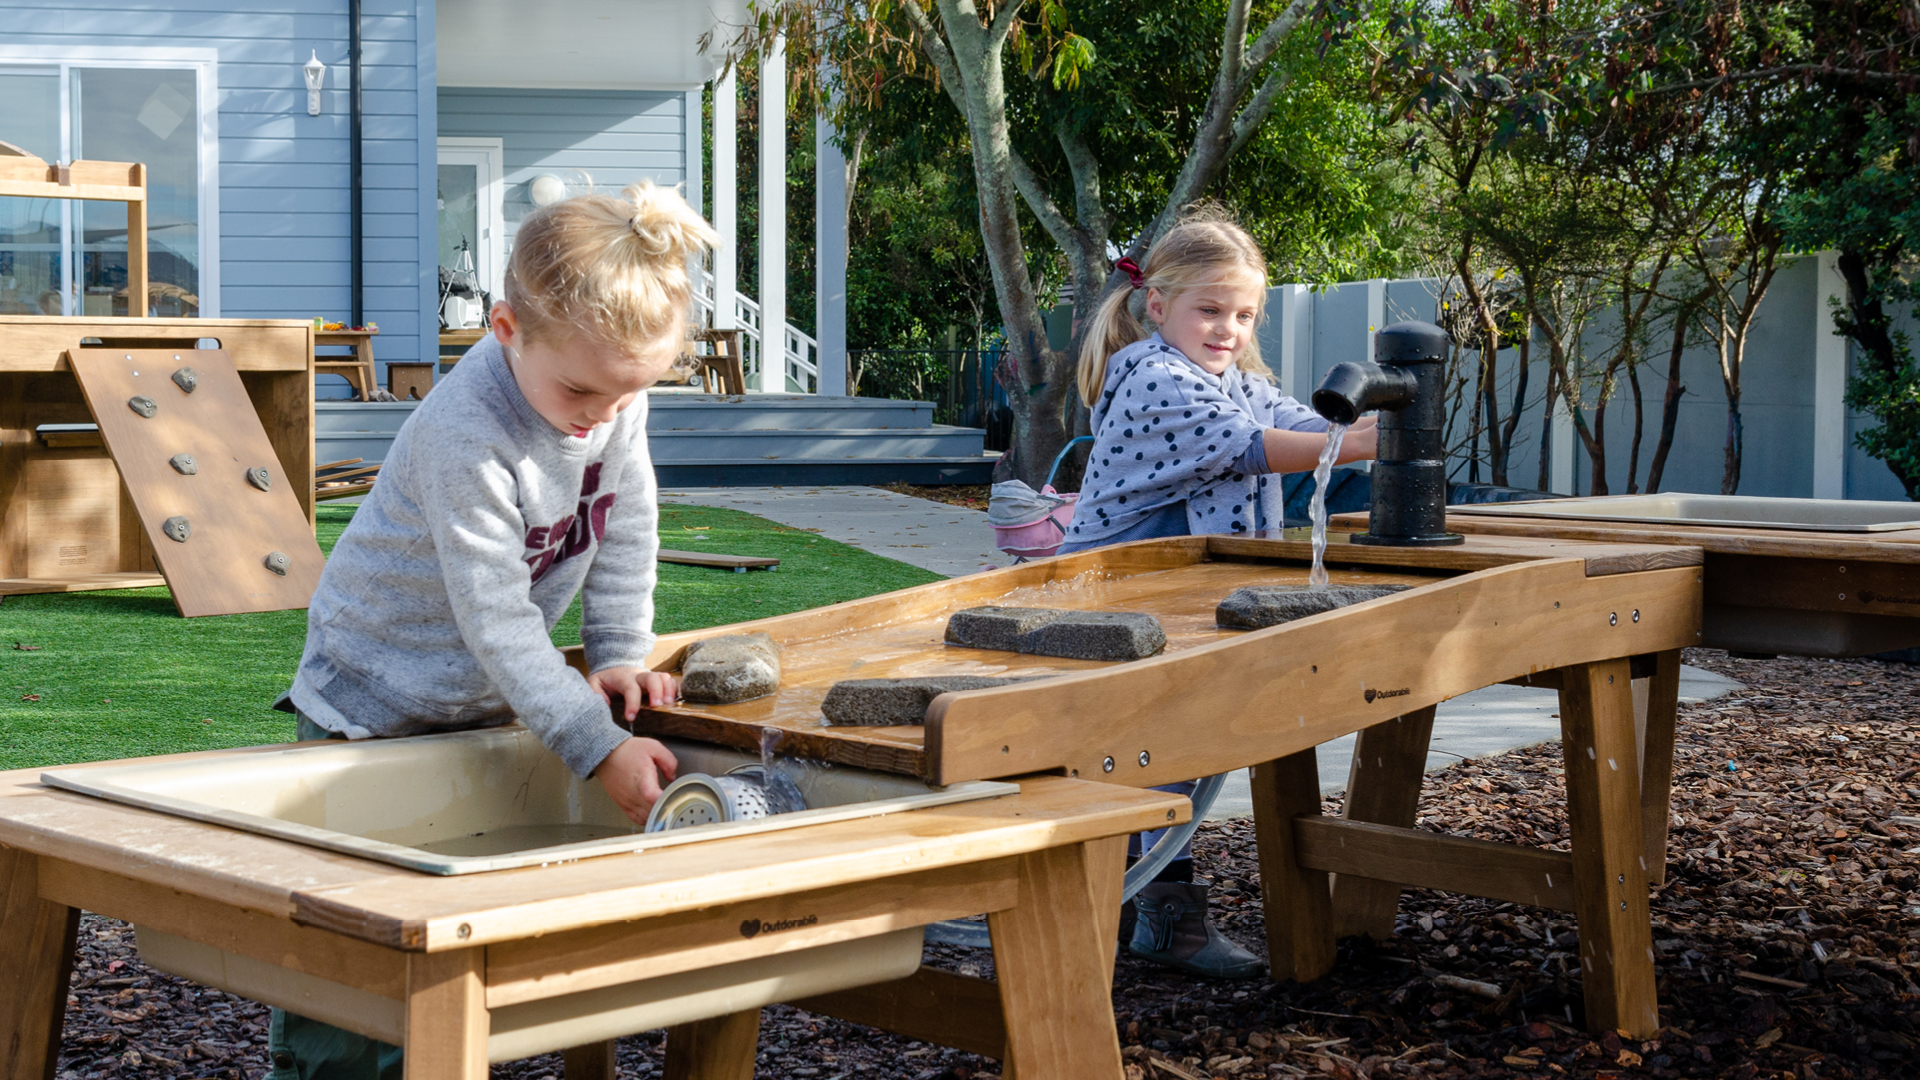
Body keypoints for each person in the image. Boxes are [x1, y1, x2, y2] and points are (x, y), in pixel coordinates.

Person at [268, 181, 715, 1080]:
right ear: (506, 329)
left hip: (475, 699)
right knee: (350, 944)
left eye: (633, 394)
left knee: (449, 916)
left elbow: (624, 525)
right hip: (373, 697)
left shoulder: (610, 402)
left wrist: (622, 651)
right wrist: (593, 743)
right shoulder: (466, 435)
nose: (604, 415)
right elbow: (498, 619)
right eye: (583, 389)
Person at [1056, 211, 1379, 979]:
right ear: (1158, 307)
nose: (1228, 328)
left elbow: (1295, 421)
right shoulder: (1153, 379)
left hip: (1169, 601)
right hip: (1108, 601)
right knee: (1154, 753)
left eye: (1244, 315)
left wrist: (1362, 428)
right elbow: (1253, 449)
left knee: (1172, 750)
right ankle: (1144, 914)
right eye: (1211, 309)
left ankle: (1140, 908)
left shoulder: (1235, 381)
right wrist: (1357, 441)